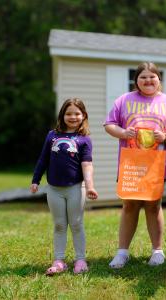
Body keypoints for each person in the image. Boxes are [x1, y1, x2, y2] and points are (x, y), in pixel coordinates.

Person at [104, 62, 166, 268]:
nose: (148, 80)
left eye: (152, 77)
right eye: (143, 77)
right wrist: (123, 133)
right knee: (129, 205)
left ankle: (157, 252)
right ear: (136, 80)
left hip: (156, 163)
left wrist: (165, 136)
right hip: (131, 164)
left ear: (159, 79)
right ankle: (122, 253)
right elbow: (109, 124)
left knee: (154, 206)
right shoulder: (124, 100)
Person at [31, 98, 98, 275]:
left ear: (83, 115)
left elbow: (87, 165)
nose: (73, 116)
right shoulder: (52, 135)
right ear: (62, 115)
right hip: (54, 189)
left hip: (76, 188)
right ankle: (59, 261)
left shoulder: (84, 140)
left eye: (77, 113)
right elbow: (43, 159)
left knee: (76, 223)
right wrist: (36, 180)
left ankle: (80, 260)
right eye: (69, 113)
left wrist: (90, 186)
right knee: (59, 224)